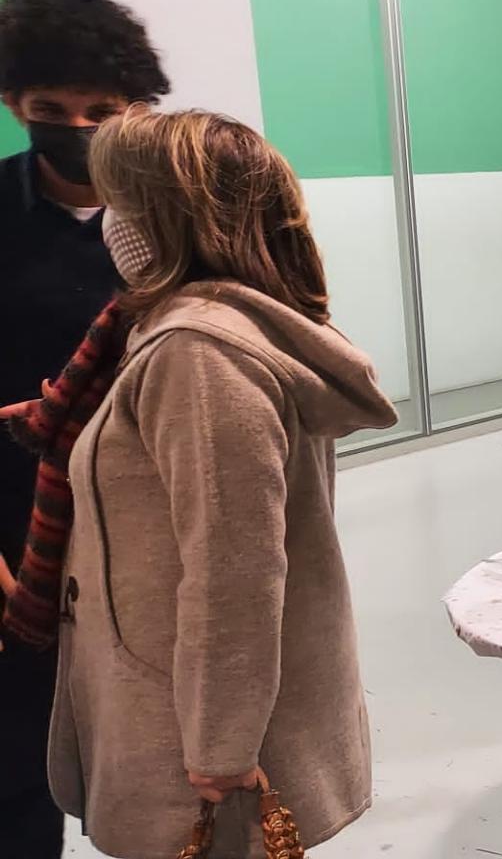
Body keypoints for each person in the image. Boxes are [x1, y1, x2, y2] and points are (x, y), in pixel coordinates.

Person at [31, 106, 398, 857]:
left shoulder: (199, 354)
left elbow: (234, 569)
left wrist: (221, 750)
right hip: (177, 690)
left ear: (166, 221)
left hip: (191, 727)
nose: (109, 222)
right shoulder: (209, 328)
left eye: (121, 203)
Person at [0, 0, 168, 855]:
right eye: (50, 109)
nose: (77, 129)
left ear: (137, 108)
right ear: (13, 105)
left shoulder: (181, 217)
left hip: (151, 530)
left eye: (101, 110)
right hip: (16, 530)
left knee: (157, 757)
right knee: (17, 771)